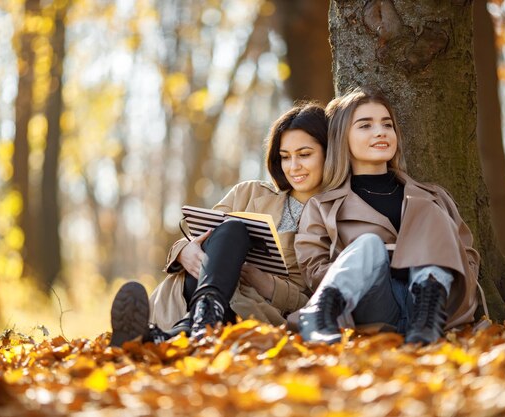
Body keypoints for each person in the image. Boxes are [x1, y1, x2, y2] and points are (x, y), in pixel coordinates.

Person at [109, 103, 328, 346]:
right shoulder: (250, 192)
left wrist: (267, 284)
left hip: (251, 307)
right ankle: (200, 322)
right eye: (285, 157)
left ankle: (168, 335)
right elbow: (203, 233)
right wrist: (184, 251)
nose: (293, 166)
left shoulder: (332, 218)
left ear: (328, 153)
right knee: (232, 229)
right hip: (194, 287)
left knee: (230, 262)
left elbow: (319, 299)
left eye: (304, 155)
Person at [294, 88, 482, 345]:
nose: (380, 132)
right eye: (365, 126)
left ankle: (427, 324)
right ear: (342, 138)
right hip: (373, 307)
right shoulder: (322, 206)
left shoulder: (434, 197)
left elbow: (467, 258)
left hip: (435, 307)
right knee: (369, 244)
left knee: (426, 210)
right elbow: (314, 271)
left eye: (387, 124)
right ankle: (318, 315)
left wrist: (423, 260)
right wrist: (387, 257)